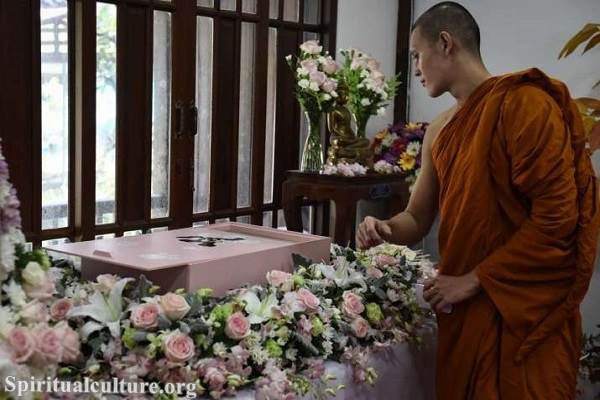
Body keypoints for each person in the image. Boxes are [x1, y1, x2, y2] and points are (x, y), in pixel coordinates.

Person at [355, 2, 600, 399]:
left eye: (418, 55)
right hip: (465, 312)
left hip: (521, 308)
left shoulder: (525, 105)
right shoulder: (440, 130)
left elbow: (559, 219)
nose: (415, 70)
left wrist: (474, 280)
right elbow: (417, 217)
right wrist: (385, 229)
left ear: (446, 43)